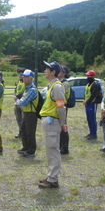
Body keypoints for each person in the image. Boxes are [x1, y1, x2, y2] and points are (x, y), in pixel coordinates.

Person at [38, 61, 67, 189]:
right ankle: (51, 176)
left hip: (53, 122)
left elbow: (61, 107)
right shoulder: (51, 86)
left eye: (47, 68)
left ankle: (53, 179)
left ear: (53, 72)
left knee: (53, 150)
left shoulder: (56, 86)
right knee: (50, 150)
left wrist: (62, 123)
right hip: (49, 121)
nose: (44, 70)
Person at [14, 69, 38, 157]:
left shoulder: (32, 90)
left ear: (31, 78)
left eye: (27, 77)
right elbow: (23, 100)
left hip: (31, 113)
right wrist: (20, 100)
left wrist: (18, 100)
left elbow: (24, 102)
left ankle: (31, 150)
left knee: (30, 132)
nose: (24, 78)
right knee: (23, 130)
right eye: (24, 77)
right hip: (26, 112)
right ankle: (25, 147)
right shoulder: (26, 89)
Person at [83, 70, 101, 140]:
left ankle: (94, 134)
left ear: (93, 76)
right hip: (87, 103)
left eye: (89, 76)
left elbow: (94, 95)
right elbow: (85, 93)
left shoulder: (95, 84)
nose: (87, 77)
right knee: (89, 118)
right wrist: (85, 100)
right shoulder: (88, 84)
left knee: (92, 119)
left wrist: (87, 101)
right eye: (87, 75)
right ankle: (91, 132)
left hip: (92, 103)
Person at [58, 66, 71, 154]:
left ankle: (64, 147)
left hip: (62, 106)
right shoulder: (59, 82)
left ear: (64, 73)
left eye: (60, 71)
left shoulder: (65, 83)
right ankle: (60, 145)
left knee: (63, 126)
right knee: (59, 127)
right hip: (59, 106)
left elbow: (62, 96)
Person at [14, 68, 26, 139]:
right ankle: (20, 132)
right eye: (18, 74)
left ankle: (24, 132)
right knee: (18, 118)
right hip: (17, 102)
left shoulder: (26, 82)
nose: (20, 75)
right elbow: (16, 90)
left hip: (23, 102)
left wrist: (18, 96)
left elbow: (25, 92)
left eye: (21, 74)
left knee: (23, 118)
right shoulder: (19, 82)